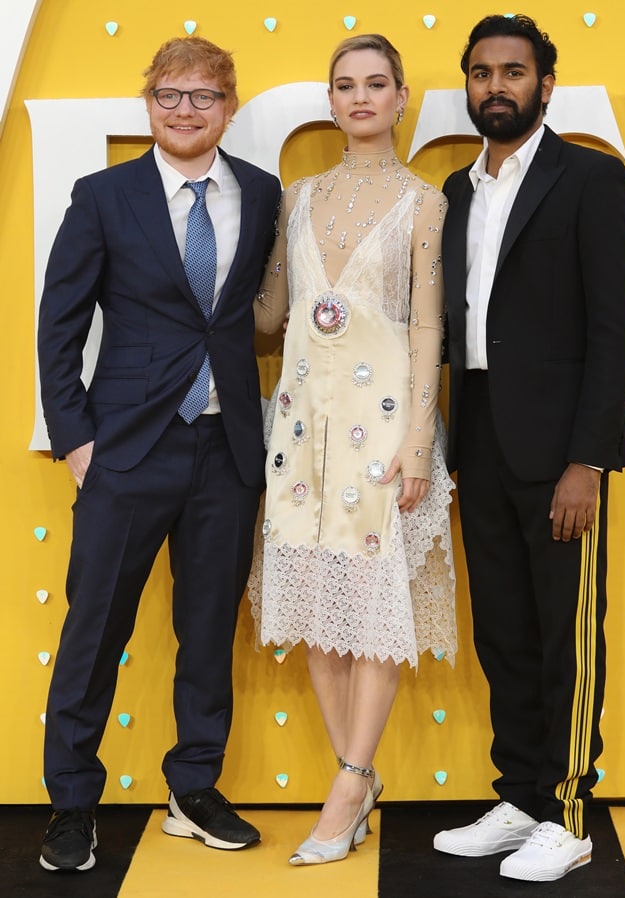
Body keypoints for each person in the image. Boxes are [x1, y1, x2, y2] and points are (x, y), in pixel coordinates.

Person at [37, 36, 280, 872]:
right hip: (126, 454)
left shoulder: (263, 192)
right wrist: (75, 438)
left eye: (203, 97)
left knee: (207, 631)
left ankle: (194, 786)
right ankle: (72, 800)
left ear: (230, 107)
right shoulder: (104, 196)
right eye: (170, 95)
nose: (185, 110)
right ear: (148, 105)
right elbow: (59, 325)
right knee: (93, 629)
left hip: (227, 453)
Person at [432, 14, 625, 883]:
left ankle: (568, 811)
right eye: (481, 74)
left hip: (561, 458)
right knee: (506, 636)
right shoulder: (453, 191)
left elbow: (613, 324)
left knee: (567, 637)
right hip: (478, 441)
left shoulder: (589, 178)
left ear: (545, 84)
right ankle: (519, 794)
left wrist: (587, 460)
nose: (496, 87)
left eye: (512, 72)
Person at [250, 33, 457, 866]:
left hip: (381, 434)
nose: (361, 97)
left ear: (402, 97)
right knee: (319, 616)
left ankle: (349, 782)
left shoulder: (424, 202)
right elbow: (270, 314)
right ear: (330, 100)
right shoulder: (295, 198)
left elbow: (429, 328)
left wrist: (417, 445)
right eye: (345, 85)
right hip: (301, 436)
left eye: (377, 84)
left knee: (373, 614)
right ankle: (355, 777)